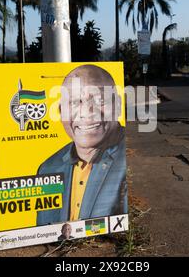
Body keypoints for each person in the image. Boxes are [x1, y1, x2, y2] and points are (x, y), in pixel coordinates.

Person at [37, 65, 127, 226]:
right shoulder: (48, 169)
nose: (86, 112)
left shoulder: (130, 160)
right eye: (74, 102)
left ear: (118, 105)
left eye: (100, 100)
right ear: (60, 111)